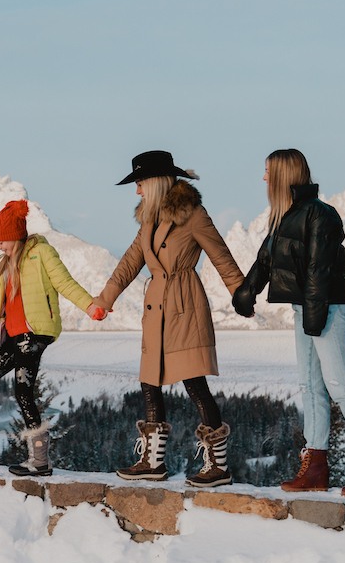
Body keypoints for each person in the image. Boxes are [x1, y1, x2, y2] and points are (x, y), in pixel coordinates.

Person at [232, 148, 345, 496]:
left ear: (284, 174)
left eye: (268, 171)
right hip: (305, 309)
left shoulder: (321, 215)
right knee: (310, 387)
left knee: (340, 384)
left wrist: (315, 314)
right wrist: (246, 292)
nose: (263, 177)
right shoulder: (283, 215)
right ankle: (315, 466)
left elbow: (320, 269)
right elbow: (266, 260)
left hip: (326, 309)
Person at [92, 151, 244, 486]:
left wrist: (240, 291)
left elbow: (220, 255)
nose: (137, 191)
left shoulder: (193, 214)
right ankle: (152, 463)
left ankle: (218, 466)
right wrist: (105, 300)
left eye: (140, 183)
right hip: (155, 306)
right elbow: (131, 261)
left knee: (193, 381)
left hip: (184, 304)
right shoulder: (148, 218)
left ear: (157, 182)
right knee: (150, 382)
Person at [0, 200, 106, 476]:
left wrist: (90, 306)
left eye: (1, 240)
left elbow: (65, 283)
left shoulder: (41, 254)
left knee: (23, 391)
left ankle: (39, 461)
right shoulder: (6, 265)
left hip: (35, 334)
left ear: (14, 235)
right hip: (15, 337)